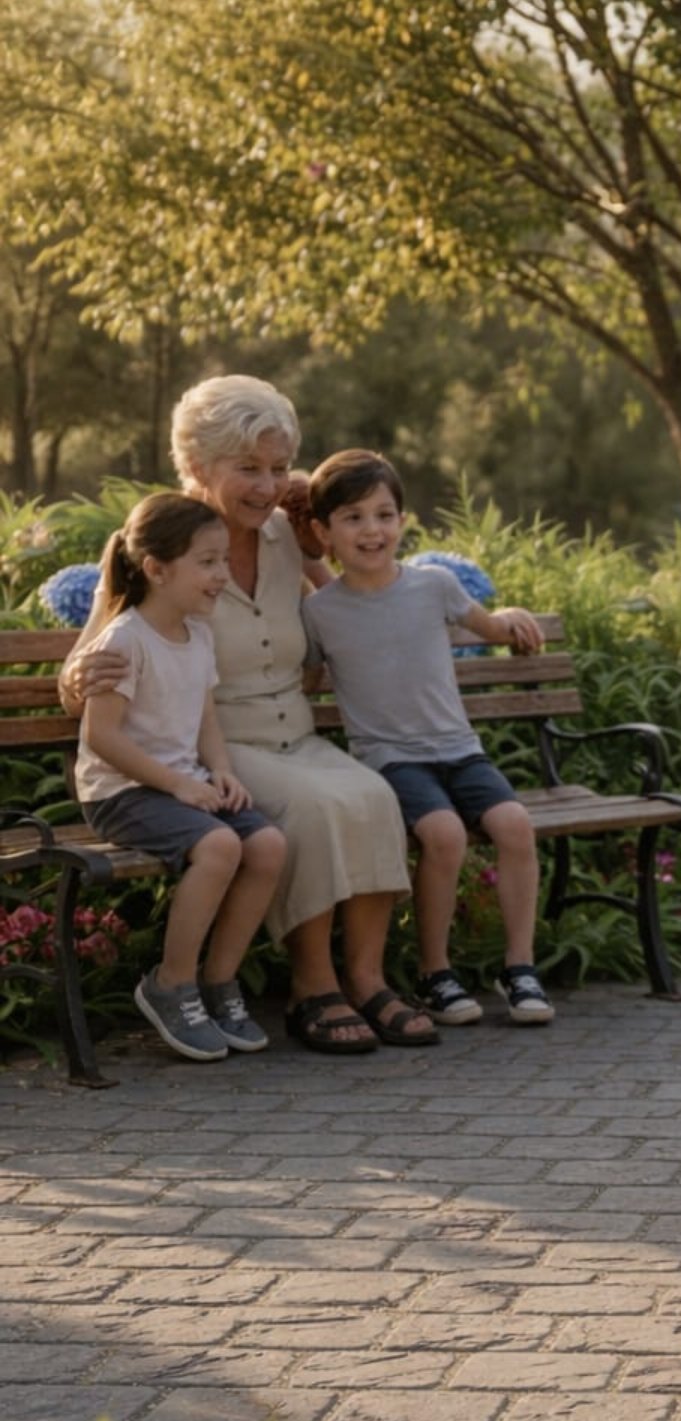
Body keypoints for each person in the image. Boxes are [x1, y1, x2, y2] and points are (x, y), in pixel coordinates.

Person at [61, 375, 436, 1053]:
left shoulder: (285, 537)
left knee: (374, 797)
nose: (266, 486)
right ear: (198, 468)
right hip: (221, 746)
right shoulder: (164, 544)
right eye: (248, 469)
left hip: (295, 730)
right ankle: (312, 988)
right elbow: (91, 657)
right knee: (315, 809)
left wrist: (305, 493)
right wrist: (78, 674)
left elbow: (349, 590)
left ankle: (368, 977)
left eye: (278, 468)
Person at [302, 448, 555, 1026]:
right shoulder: (321, 613)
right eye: (354, 517)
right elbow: (303, 680)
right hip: (392, 760)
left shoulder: (433, 585)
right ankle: (435, 973)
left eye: (385, 514)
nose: (373, 530)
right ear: (323, 532)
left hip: (459, 749)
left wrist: (510, 617)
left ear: (403, 521)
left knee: (514, 825)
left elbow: (489, 627)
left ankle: (520, 967)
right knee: (443, 834)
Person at [75, 493, 287, 1062]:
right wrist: (177, 785)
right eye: (209, 562)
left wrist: (219, 772)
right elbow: (103, 737)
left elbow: (206, 718)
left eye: (224, 560)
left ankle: (218, 982)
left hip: (182, 785)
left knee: (265, 845)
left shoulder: (198, 634)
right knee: (218, 846)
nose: (223, 574)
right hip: (121, 792)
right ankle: (171, 984)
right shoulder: (124, 640)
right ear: (157, 569)